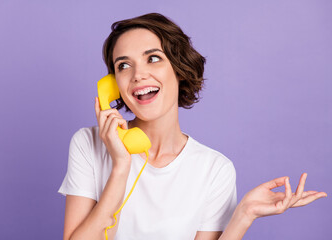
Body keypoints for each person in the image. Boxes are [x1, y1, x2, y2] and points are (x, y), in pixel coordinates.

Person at [58, 13, 327, 240]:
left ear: (179, 69)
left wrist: (243, 215)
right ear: (114, 84)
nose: (138, 74)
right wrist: (120, 168)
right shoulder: (88, 144)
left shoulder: (214, 169)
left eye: (153, 58)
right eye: (124, 65)